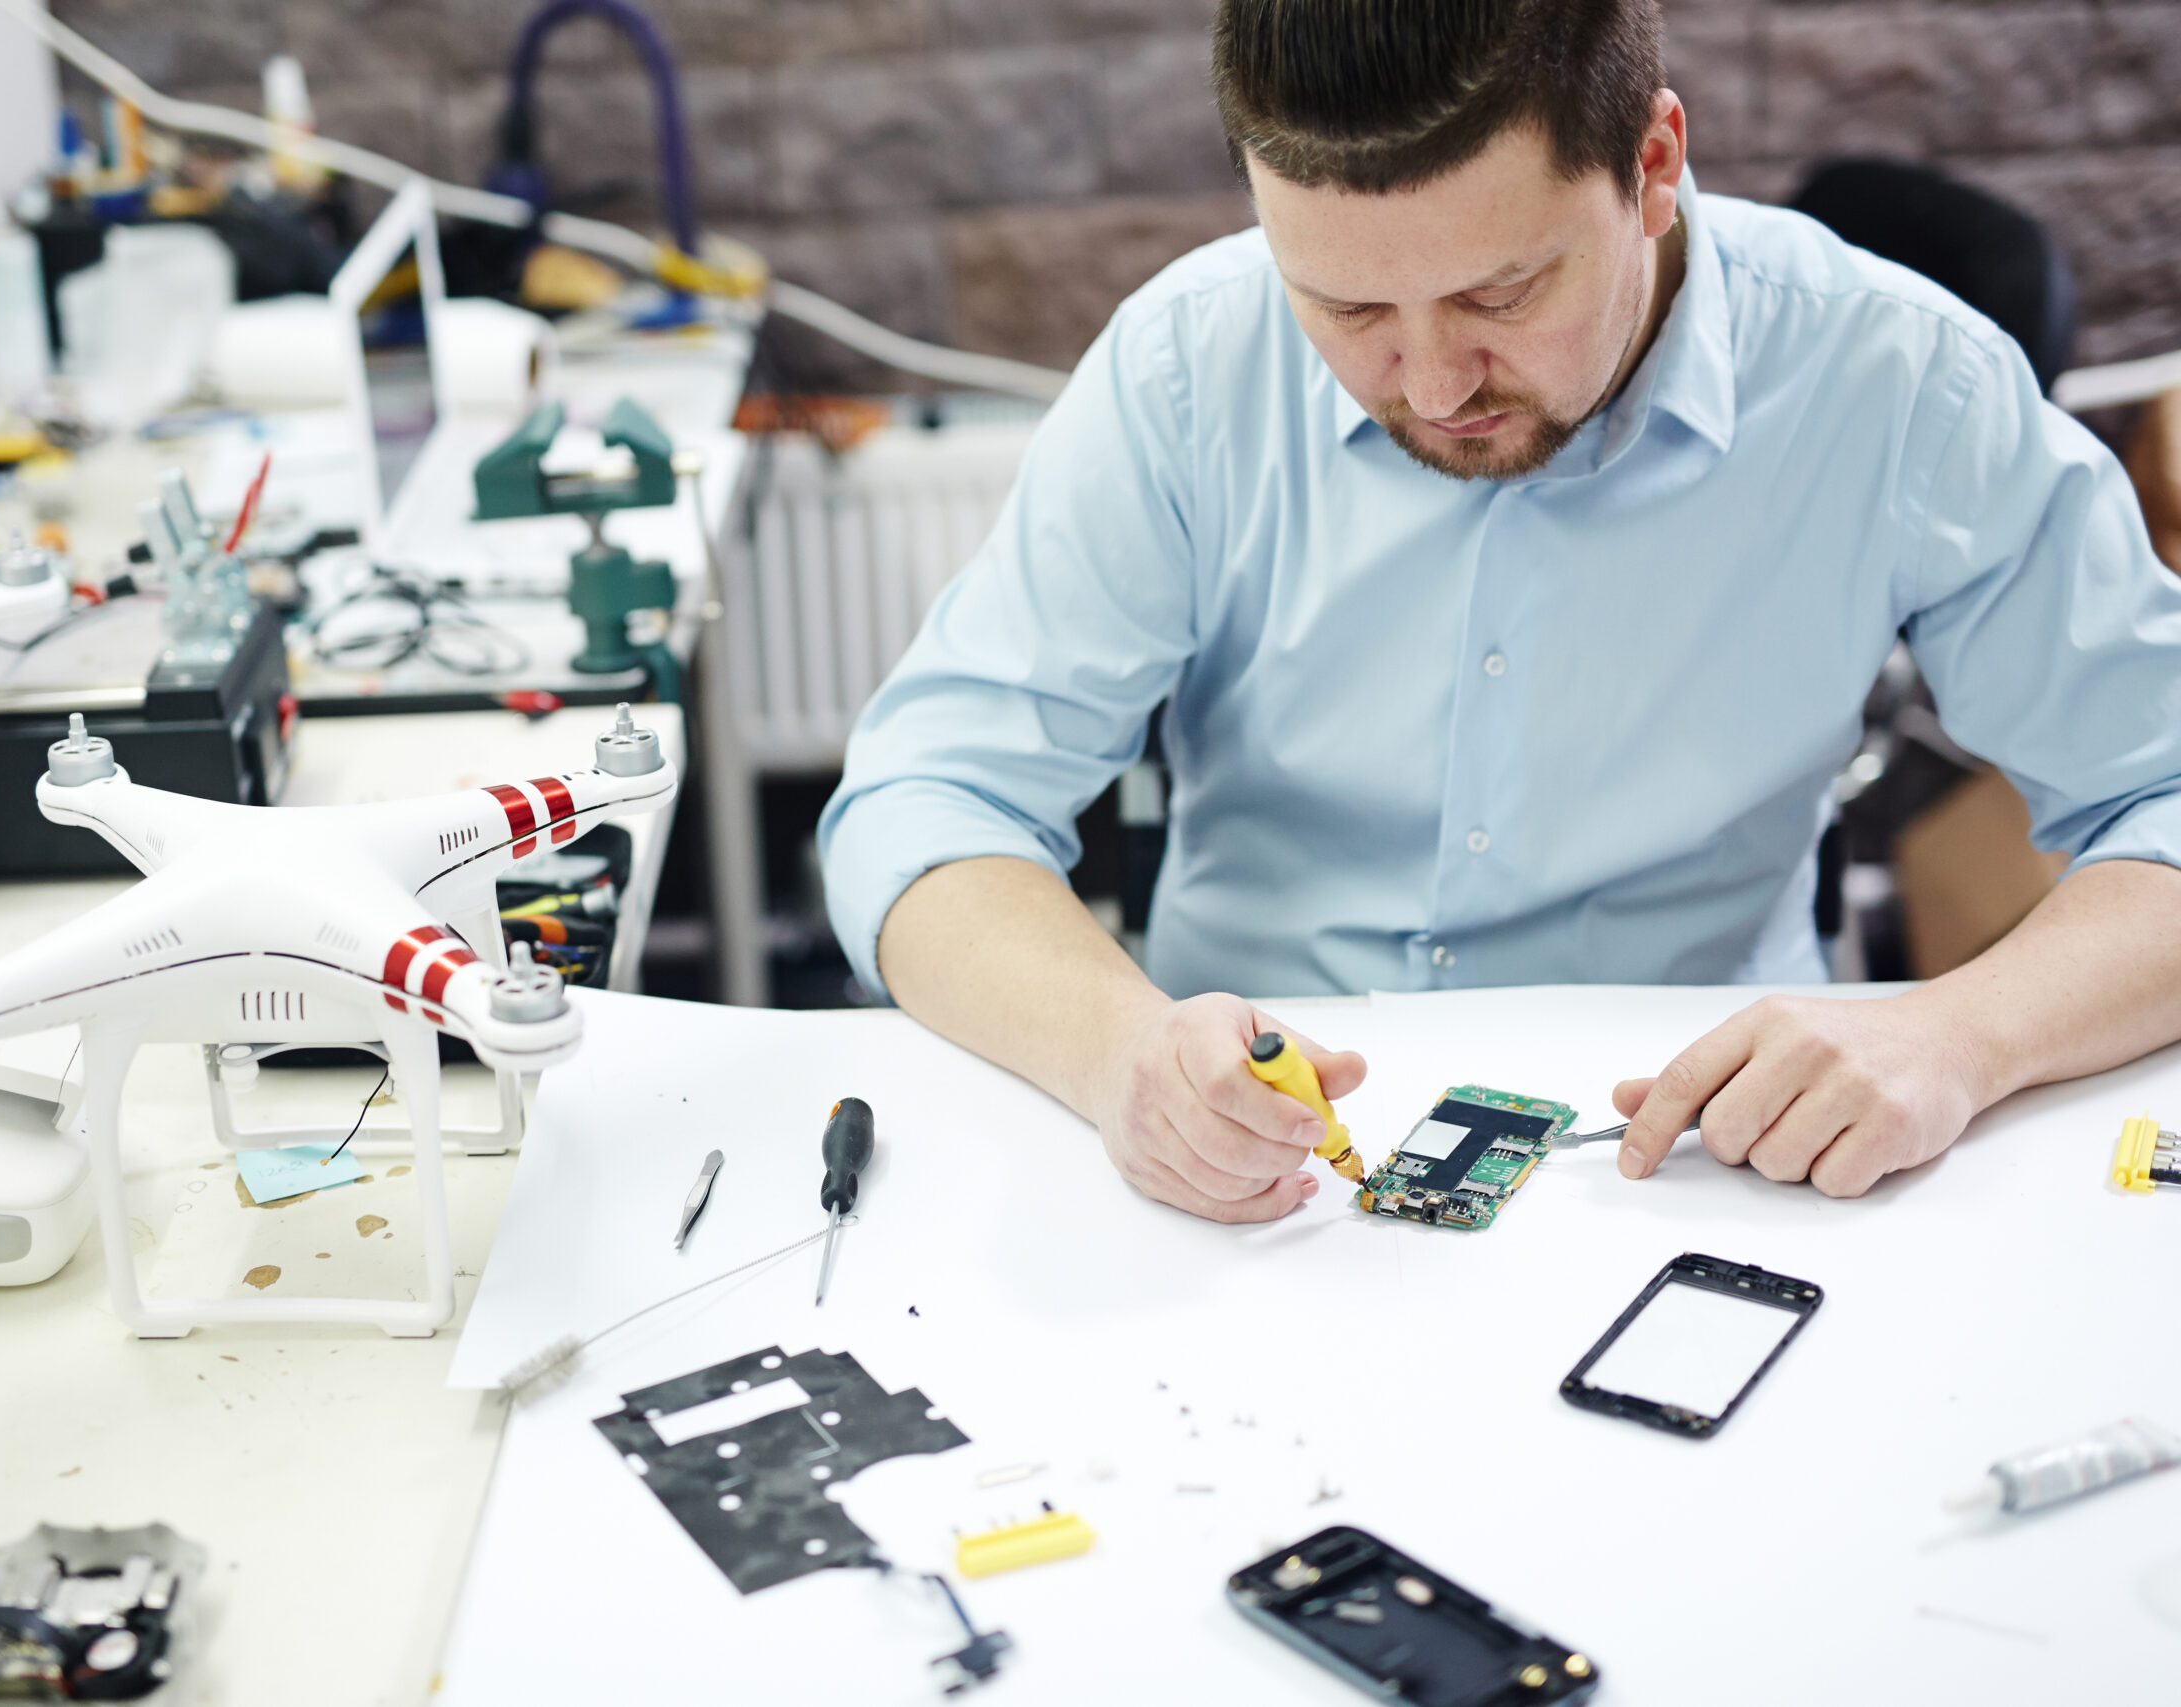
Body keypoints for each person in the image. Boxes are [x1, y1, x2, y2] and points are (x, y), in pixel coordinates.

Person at [817, 0, 2181, 1223]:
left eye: (1502, 293)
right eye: (1345, 304)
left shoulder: (1900, 383)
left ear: (1652, 166)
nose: (1430, 383)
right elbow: (926, 803)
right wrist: (1116, 1050)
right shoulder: (1190, 365)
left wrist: (1958, 1034)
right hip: (1259, 1179)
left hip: (1705, 1166)